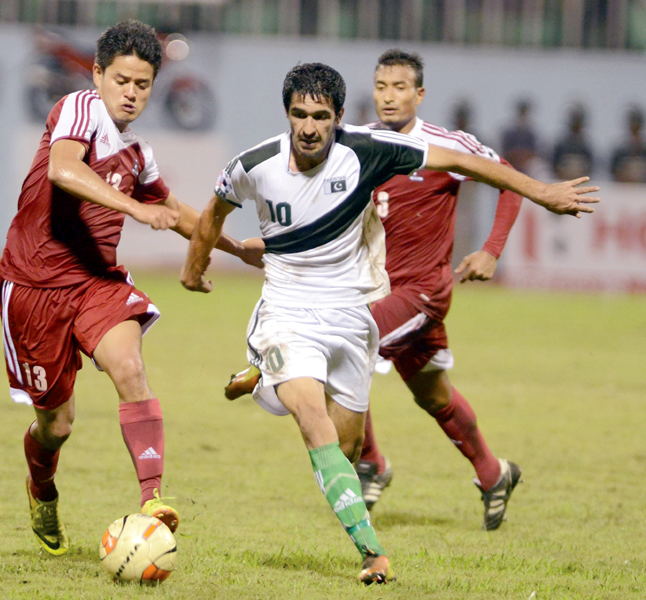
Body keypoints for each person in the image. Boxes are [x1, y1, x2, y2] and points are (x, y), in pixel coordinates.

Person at [183, 63, 596, 585]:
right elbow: (234, 216)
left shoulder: (381, 149)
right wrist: (199, 266)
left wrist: (536, 200)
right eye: (299, 115)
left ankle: (404, 458)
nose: (309, 127)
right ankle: (398, 532)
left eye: (320, 117)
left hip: (389, 303)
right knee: (362, 414)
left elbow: (484, 168)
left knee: (354, 438)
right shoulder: (267, 160)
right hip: (315, 307)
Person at [0, 20, 261, 557]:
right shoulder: (78, 109)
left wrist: (231, 249)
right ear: (97, 73)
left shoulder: (138, 152)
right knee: (57, 425)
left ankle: (153, 500)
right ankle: (41, 487)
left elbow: (172, 210)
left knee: (129, 367)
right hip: (32, 287)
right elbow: (64, 171)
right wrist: (133, 207)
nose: (131, 93)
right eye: (121, 81)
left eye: (142, 84)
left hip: (95, 282)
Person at [356, 49, 526, 531]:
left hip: (423, 291)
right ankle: (495, 475)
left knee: (347, 343)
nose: (389, 97)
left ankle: (370, 463)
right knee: (434, 396)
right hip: (378, 289)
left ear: (419, 94)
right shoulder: (358, 144)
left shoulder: (445, 146)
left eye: (400, 88)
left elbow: (510, 181)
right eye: (382, 87)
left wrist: (491, 249)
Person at [552, 103, 594, 180]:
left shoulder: (585, 146)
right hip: (562, 181)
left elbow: (590, 167)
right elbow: (554, 165)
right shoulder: (562, 145)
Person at [610, 106, 646, 183]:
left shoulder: (643, 150)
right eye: (632, 122)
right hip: (624, 191)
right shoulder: (621, 151)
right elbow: (613, 171)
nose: (634, 125)